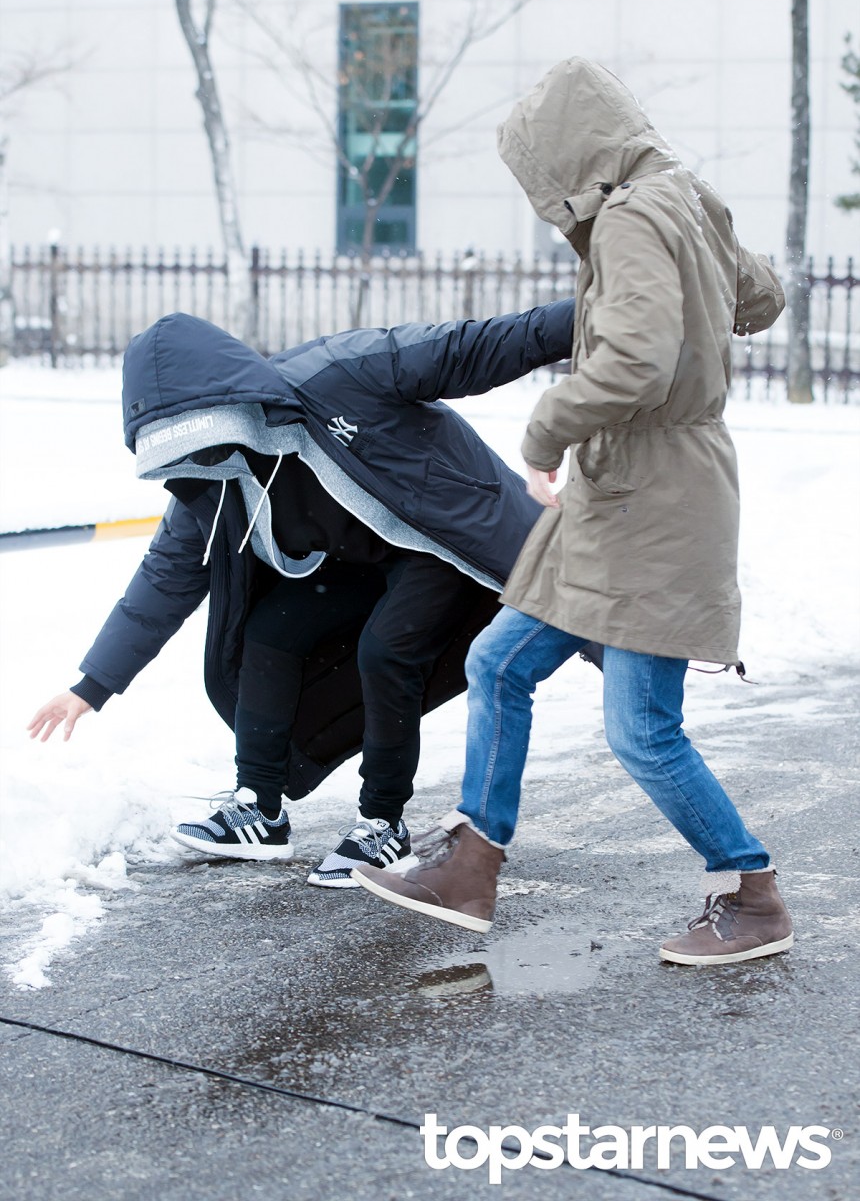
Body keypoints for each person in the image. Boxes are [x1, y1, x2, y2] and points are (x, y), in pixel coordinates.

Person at [352, 56, 795, 966]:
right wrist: (701, 240)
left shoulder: (635, 215)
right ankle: (470, 867)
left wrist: (546, 429)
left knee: (641, 728)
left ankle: (751, 894)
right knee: (499, 660)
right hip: (631, 491)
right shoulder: (681, 200)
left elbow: (635, 359)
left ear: (566, 157)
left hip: (653, 497)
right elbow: (764, 298)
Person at [28, 302, 592, 888]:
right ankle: (260, 809)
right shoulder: (210, 478)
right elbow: (164, 579)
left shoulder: (342, 375)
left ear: (228, 404)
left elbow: (473, 347)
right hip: (360, 562)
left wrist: (598, 309)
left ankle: (382, 823)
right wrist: (91, 685)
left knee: (387, 649)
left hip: (441, 543)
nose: (201, 456)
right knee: (270, 631)